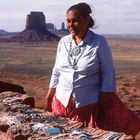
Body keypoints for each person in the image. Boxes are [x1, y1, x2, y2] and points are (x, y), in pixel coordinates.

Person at [44, 2, 140, 138]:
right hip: (60, 103)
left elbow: (108, 75)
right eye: (68, 21)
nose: (71, 25)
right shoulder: (63, 42)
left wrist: (103, 106)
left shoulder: (99, 42)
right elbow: (56, 71)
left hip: (87, 106)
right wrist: (49, 98)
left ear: (87, 20)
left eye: (76, 21)